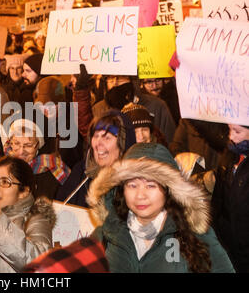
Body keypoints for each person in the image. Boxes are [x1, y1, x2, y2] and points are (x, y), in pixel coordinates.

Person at [87, 143, 234, 273]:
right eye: (132, 185)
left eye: (151, 186)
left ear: (167, 190)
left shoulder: (196, 235)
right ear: (122, 190)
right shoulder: (108, 231)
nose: (140, 195)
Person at [55, 110, 136, 208]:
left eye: (107, 138)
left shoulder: (135, 183)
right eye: (96, 136)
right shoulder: (81, 173)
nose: (98, 143)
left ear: (123, 144)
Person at [211, 124, 249, 272]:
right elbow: (218, 201)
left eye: (237, 131)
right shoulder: (230, 154)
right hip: (228, 247)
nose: (231, 136)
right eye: (229, 130)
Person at [4, 119, 71, 200]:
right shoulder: (2, 166)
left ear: (38, 145)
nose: (21, 152)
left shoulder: (53, 169)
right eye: (16, 143)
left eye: (28, 145)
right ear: (10, 142)